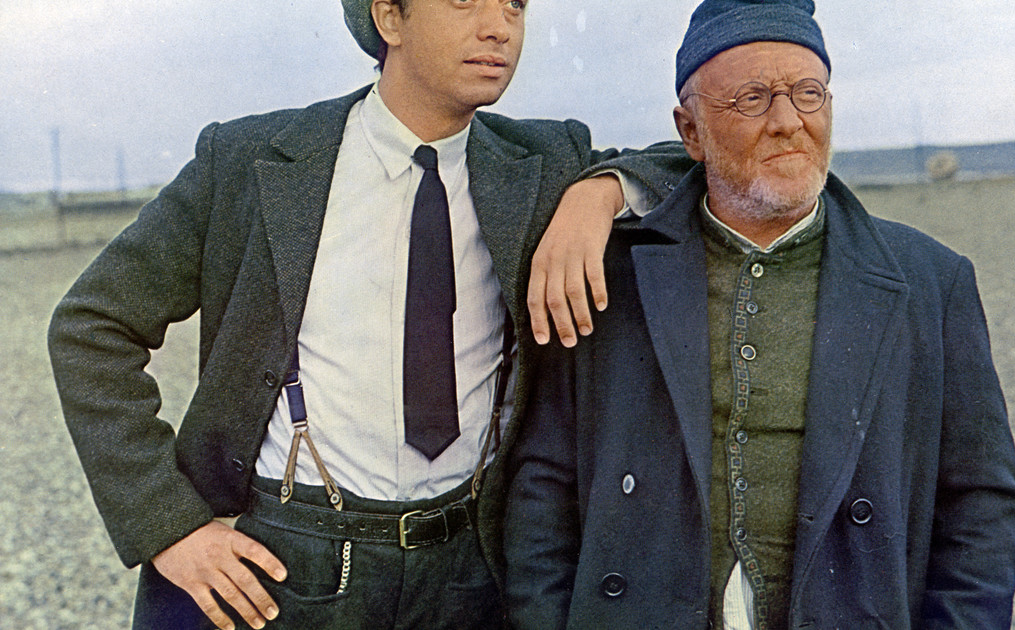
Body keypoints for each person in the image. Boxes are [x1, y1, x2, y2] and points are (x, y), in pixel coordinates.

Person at [47, 1, 686, 628]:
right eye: (465, 0)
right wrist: (169, 527)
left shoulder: (547, 162)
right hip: (285, 558)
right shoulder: (249, 160)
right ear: (389, 18)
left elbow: (690, 158)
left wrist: (600, 191)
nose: (500, 27)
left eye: (515, 3)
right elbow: (92, 325)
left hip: (471, 568)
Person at [504, 0, 1015, 628]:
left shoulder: (930, 282)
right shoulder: (609, 274)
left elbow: (980, 508)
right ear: (690, 132)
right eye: (752, 99)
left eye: (808, 94)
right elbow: (543, 487)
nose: (788, 122)